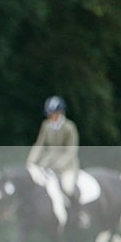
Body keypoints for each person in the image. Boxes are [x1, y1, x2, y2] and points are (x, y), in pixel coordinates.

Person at [26, 95, 87, 227]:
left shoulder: (69, 127)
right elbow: (39, 145)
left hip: (67, 166)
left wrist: (58, 165)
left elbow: (71, 151)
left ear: (60, 113)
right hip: (48, 164)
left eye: (53, 114)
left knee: (68, 188)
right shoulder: (46, 126)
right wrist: (31, 162)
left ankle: (80, 214)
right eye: (50, 114)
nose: (51, 116)